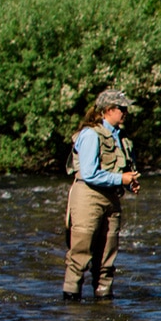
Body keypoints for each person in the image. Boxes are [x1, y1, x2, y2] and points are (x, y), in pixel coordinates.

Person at [63, 89, 141, 302]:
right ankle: (71, 305)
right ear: (108, 110)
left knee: (107, 256)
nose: (125, 112)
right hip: (88, 198)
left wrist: (129, 183)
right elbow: (89, 173)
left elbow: (120, 171)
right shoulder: (90, 135)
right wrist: (120, 179)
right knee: (80, 253)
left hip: (111, 199)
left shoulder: (122, 139)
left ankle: (103, 306)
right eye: (121, 109)